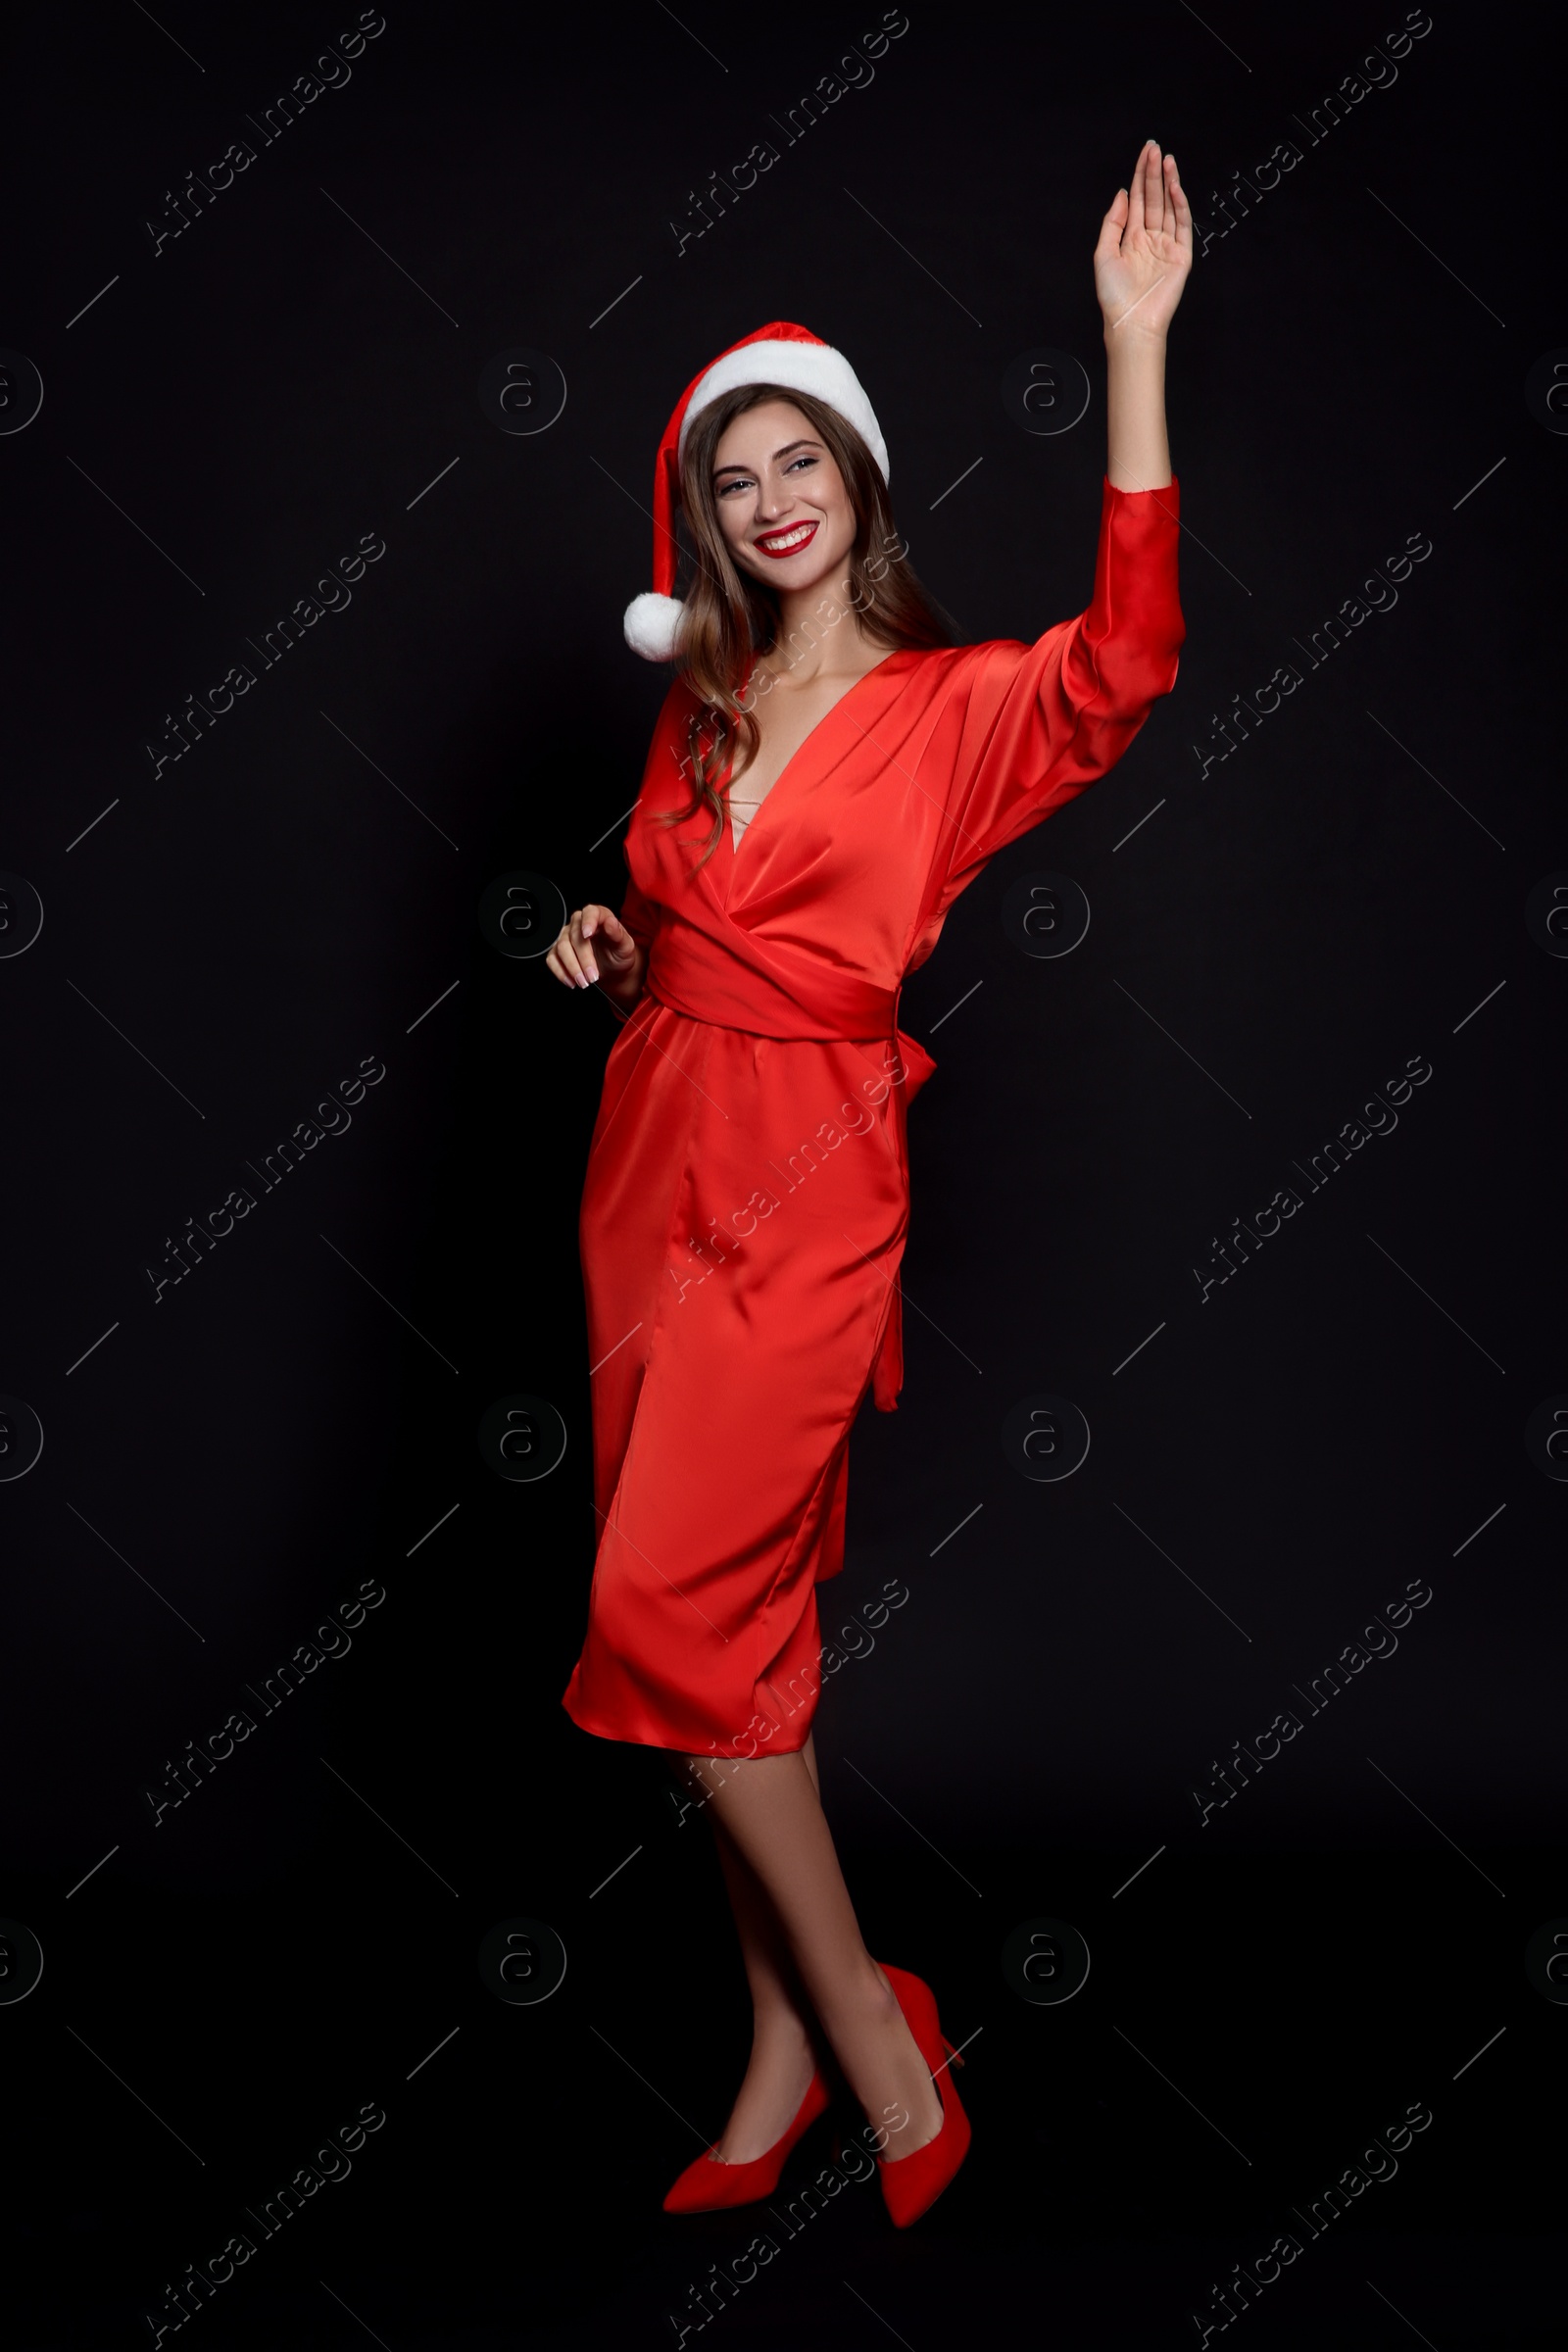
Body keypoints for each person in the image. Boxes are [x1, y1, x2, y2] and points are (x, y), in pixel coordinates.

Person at [547, 140, 1192, 2227]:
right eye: (728, 478)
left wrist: (1128, 344)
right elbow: (678, 917)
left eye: (794, 458)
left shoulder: (946, 713)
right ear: (707, 521)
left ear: (857, 478)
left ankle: (871, 2031)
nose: (765, 500)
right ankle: (770, 2057)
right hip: (645, 1161)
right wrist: (608, 944)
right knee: (730, 1652)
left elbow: (1128, 665)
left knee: (668, 1612)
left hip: (808, 1188)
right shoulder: (701, 700)